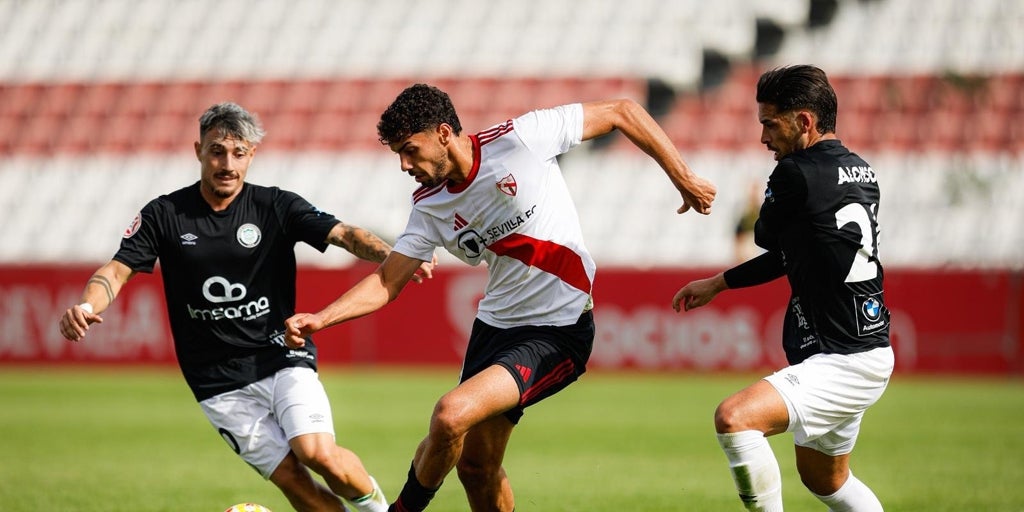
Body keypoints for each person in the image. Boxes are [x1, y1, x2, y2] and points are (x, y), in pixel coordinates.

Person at [283, 83, 717, 511]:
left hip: (558, 330)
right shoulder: (429, 206)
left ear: (442, 133)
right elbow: (387, 281)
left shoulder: (521, 139)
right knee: (475, 466)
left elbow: (623, 109)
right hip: (493, 329)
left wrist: (684, 177)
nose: (403, 164)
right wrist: (323, 317)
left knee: (450, 415)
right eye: (397, 153)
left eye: (409, 149)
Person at [58, 102, 434, 512]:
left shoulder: (275, 206)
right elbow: (116, 271)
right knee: (293, 480)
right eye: (217, 151)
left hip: (282, 356)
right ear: (198, 150)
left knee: (317, 453)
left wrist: (391, 254)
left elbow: (344, 234)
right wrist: (86, 304)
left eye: (239, 153)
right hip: (216, 382)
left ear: (252, 155)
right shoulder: (165, 215)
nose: (227, 163)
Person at [672, 65, 893, 511]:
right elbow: (792, 253)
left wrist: (772, 199)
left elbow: (765, 236)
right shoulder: (860, 170)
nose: (764, 139)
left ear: (804, 122)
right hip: (866, 347)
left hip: (843, 358)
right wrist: (720, 282)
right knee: (826, 480)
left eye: (770, 124)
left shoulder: (796, 172)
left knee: (735, 419)